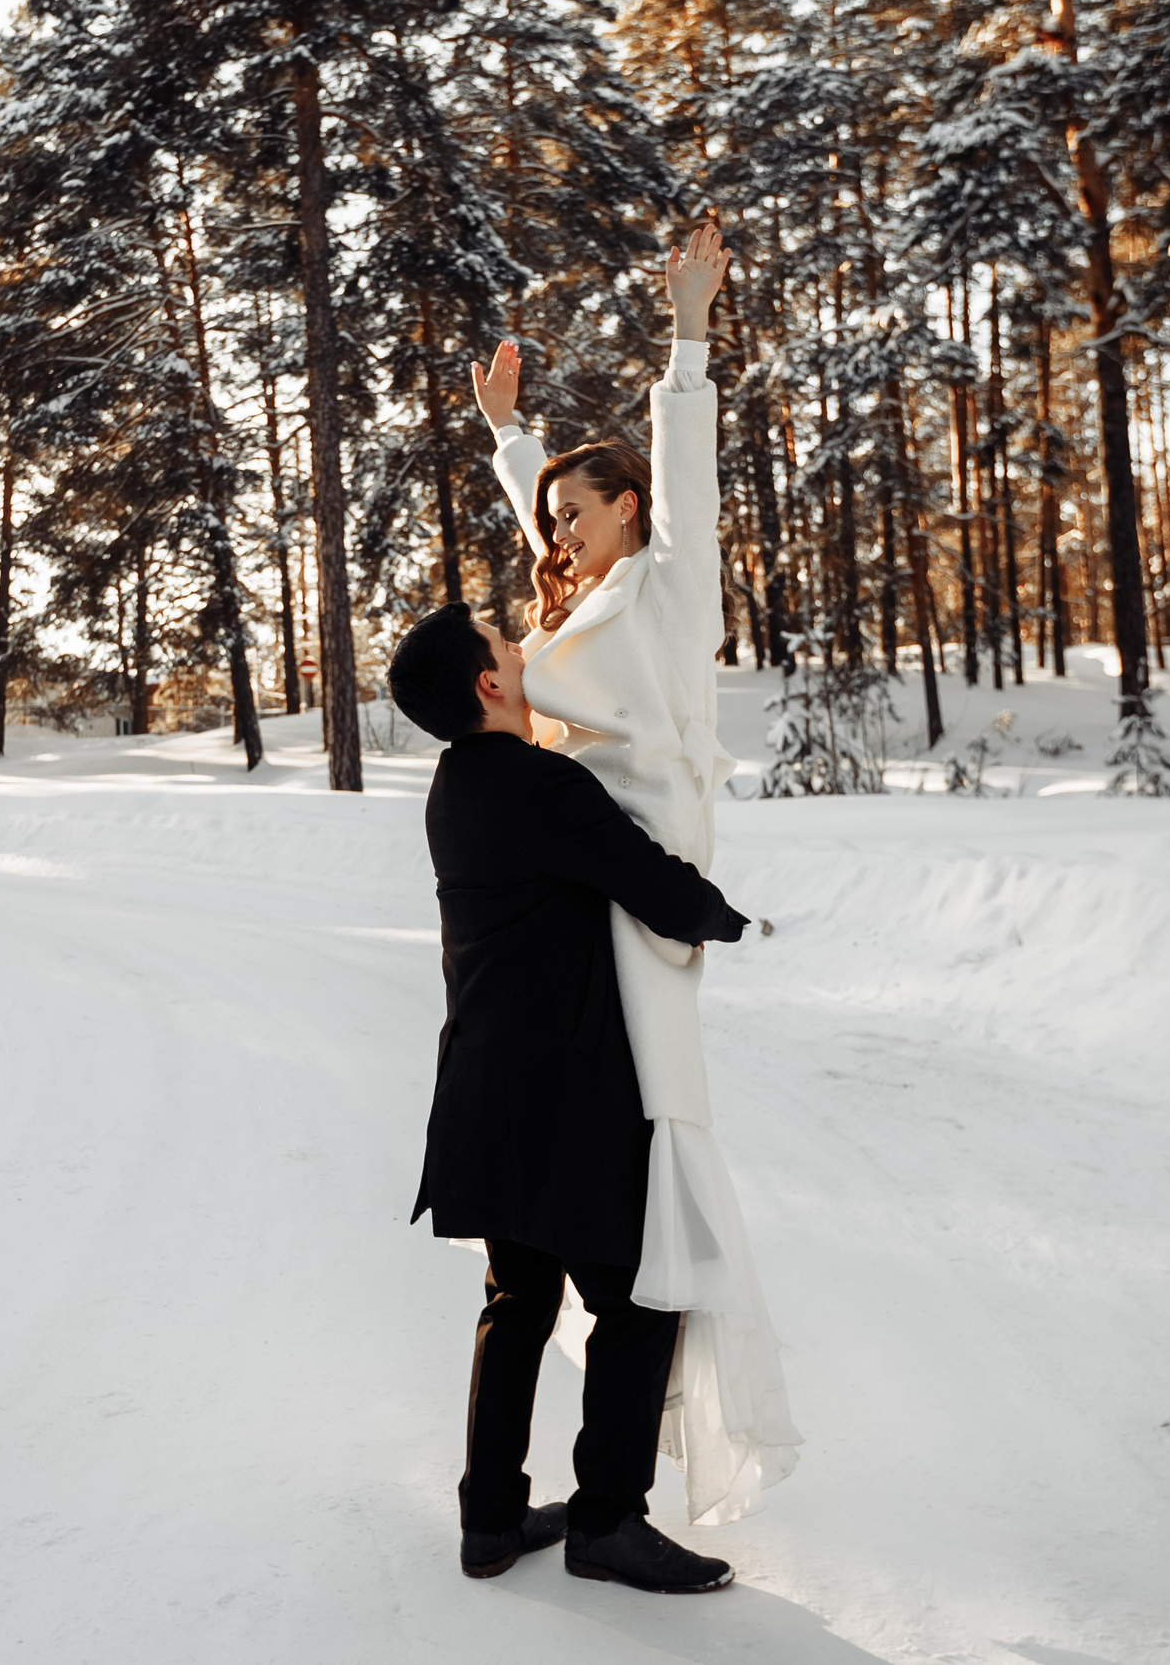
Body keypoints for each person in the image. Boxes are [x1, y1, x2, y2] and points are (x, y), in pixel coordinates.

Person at [468, 223, 800, 1528]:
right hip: (560, 921)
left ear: (630, 517)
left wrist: (692, 337)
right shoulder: (577, 600)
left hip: (638, 913)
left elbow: (684, 474)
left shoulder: (669, 589)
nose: (558, 534)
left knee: (651, 1190)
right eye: (551, 520)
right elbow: (542, 516)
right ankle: (564, 1496)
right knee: (570, 1199)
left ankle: (611, 1492)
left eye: (578, 513)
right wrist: (512, 438)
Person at [387, 601, 752, 1594]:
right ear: (488, 685)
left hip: (484, 1087)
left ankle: (489, 1518)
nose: (523, 650)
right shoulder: (541, 783)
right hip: (557, 1098)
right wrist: (724, 916)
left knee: (517, 1298)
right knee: (638, 1302)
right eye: (507, 648)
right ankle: (605, 1523)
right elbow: (653, 884)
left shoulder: (457, 783)